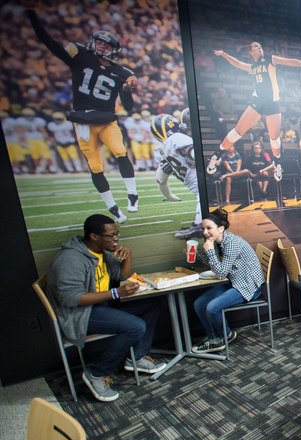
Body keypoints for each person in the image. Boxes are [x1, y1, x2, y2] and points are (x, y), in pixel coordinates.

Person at [27, 8, 140, 223]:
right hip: (83, 121)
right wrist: (32, 13)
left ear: (113, 50)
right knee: (96, 166)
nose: (100, 46)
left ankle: (132, 194)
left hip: (107, 120)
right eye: (98, 42)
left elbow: (129, 106)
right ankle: (112, 207)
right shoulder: (80, 55)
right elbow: (50, 44)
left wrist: (127, 90)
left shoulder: (121, 72)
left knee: (120, 152)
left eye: (105, 45)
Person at [46, 214, 165, 402]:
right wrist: (116, 294)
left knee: (152, 304)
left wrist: (128, 255)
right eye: (111, 236)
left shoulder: (102, 253)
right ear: (94, 236)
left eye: (117, 234)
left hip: (102, 304)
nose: (116, 239)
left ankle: (136, 358)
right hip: (80, 313)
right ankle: (96, 373)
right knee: (136, 326)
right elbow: (70, 299)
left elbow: (122, 274)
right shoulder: (70, 259)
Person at [206, 42, 301, 181]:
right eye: (256, 46)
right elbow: (237, 63)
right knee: (238, 131)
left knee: (274, 137)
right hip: (258, 101)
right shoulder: (252, 67)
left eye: (260, 46)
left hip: (273, 102)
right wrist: (225, 55)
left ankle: (277, 164)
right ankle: (216, 156)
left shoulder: (270, 59)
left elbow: (290, 61)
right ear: (250, 52)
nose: (259, 47)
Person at [192, 208, 265, 354]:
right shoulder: (219, 241)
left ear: (221, 228)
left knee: (212, 308)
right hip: (233, 281)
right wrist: (197, 254)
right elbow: (216, 265)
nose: (205, 232)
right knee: (198, 304)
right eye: (203, 229)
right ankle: (214, 339)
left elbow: (220, 273)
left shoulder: (232, 243)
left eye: (209, 228)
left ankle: (226, 335)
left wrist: (210, 251)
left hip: (247, 285)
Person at [150, 114, 203, 240]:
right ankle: (198, 224)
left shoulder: (160, 151)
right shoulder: (176, 138)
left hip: (193, 185)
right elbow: (192, 151)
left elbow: (160, 180)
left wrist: (169, 197)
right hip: (201, 180)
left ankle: (199, 224)